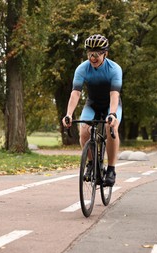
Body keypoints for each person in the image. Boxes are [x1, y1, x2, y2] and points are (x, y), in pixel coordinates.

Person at [62, 34, 122, 187]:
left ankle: (111, 169)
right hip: (93, 104)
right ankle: (91, 163)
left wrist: (113, 114)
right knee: (84, 131)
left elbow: (114, 94)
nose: (92, 58)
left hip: (111, 104)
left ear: (105, 54)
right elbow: (75, 93)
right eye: (89, 54)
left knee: (111, 127)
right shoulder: (82, 69)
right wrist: (68, 114)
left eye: (96, 54)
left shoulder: (114, 69)